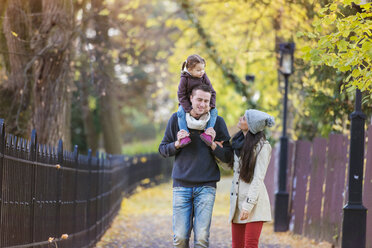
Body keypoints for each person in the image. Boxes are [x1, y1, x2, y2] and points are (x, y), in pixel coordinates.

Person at [159, 84, 232, 248]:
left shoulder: (217, 122)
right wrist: (177, 143)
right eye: (199, 99)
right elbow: (163, 149)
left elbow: (228, 157)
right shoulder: (177, 120)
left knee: (201, 239)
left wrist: (213, 144)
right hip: (181, 186)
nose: (203, 104)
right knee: (179, 238)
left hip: (207, 186)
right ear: (190, 98)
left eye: (206, 101)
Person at [226, 109, 275, 248]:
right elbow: (230, 167)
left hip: (254, 203)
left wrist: (247, 206)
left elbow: (258, 178)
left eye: (245, 118)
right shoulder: (237, 143)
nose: (241, 118)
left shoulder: (263, 147)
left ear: (252, 125)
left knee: (250, 244)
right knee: (237, 245)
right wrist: (213, 147)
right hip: (237, 202)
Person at [177, 54, 218, 148]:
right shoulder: (184, 78)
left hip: (203, 104)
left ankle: (208, 133)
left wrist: (210, 106)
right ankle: (184, 135)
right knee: (180, 112)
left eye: (203, 69)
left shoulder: (203, 76)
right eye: (198, 70)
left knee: (215, 111)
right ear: (190, 70)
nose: (202, 72)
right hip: (187, 104)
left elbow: (212, 91)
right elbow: (181, 95)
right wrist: (189, 109)